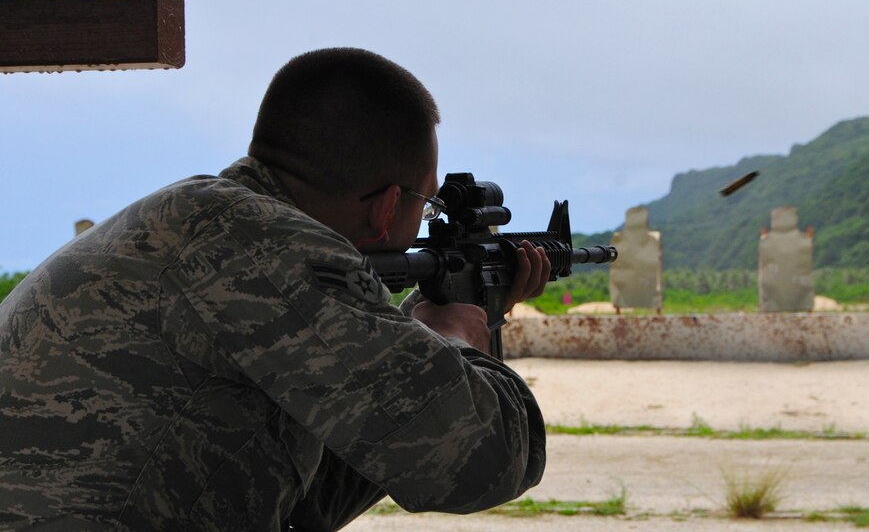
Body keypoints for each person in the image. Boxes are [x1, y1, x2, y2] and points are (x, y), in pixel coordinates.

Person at [0, 48, 550, 531]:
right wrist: (456, 339)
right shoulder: (267, 249)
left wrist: (435, 324)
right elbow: (482, 460)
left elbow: (317, 500)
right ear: (386, 208)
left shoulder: (205, 222)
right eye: (426, 204)